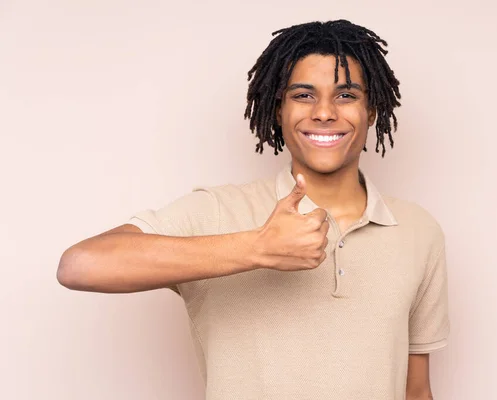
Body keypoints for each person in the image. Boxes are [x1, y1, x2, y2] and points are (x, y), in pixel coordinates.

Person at [57, 19, 450, 400]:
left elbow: (416, 391)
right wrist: (256, 248)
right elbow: (81, 265)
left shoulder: (418, 230)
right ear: (278, 112)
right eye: (303, 95)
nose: (325, 112)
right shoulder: (217, 210)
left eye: (346, 95)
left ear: (373, 112)